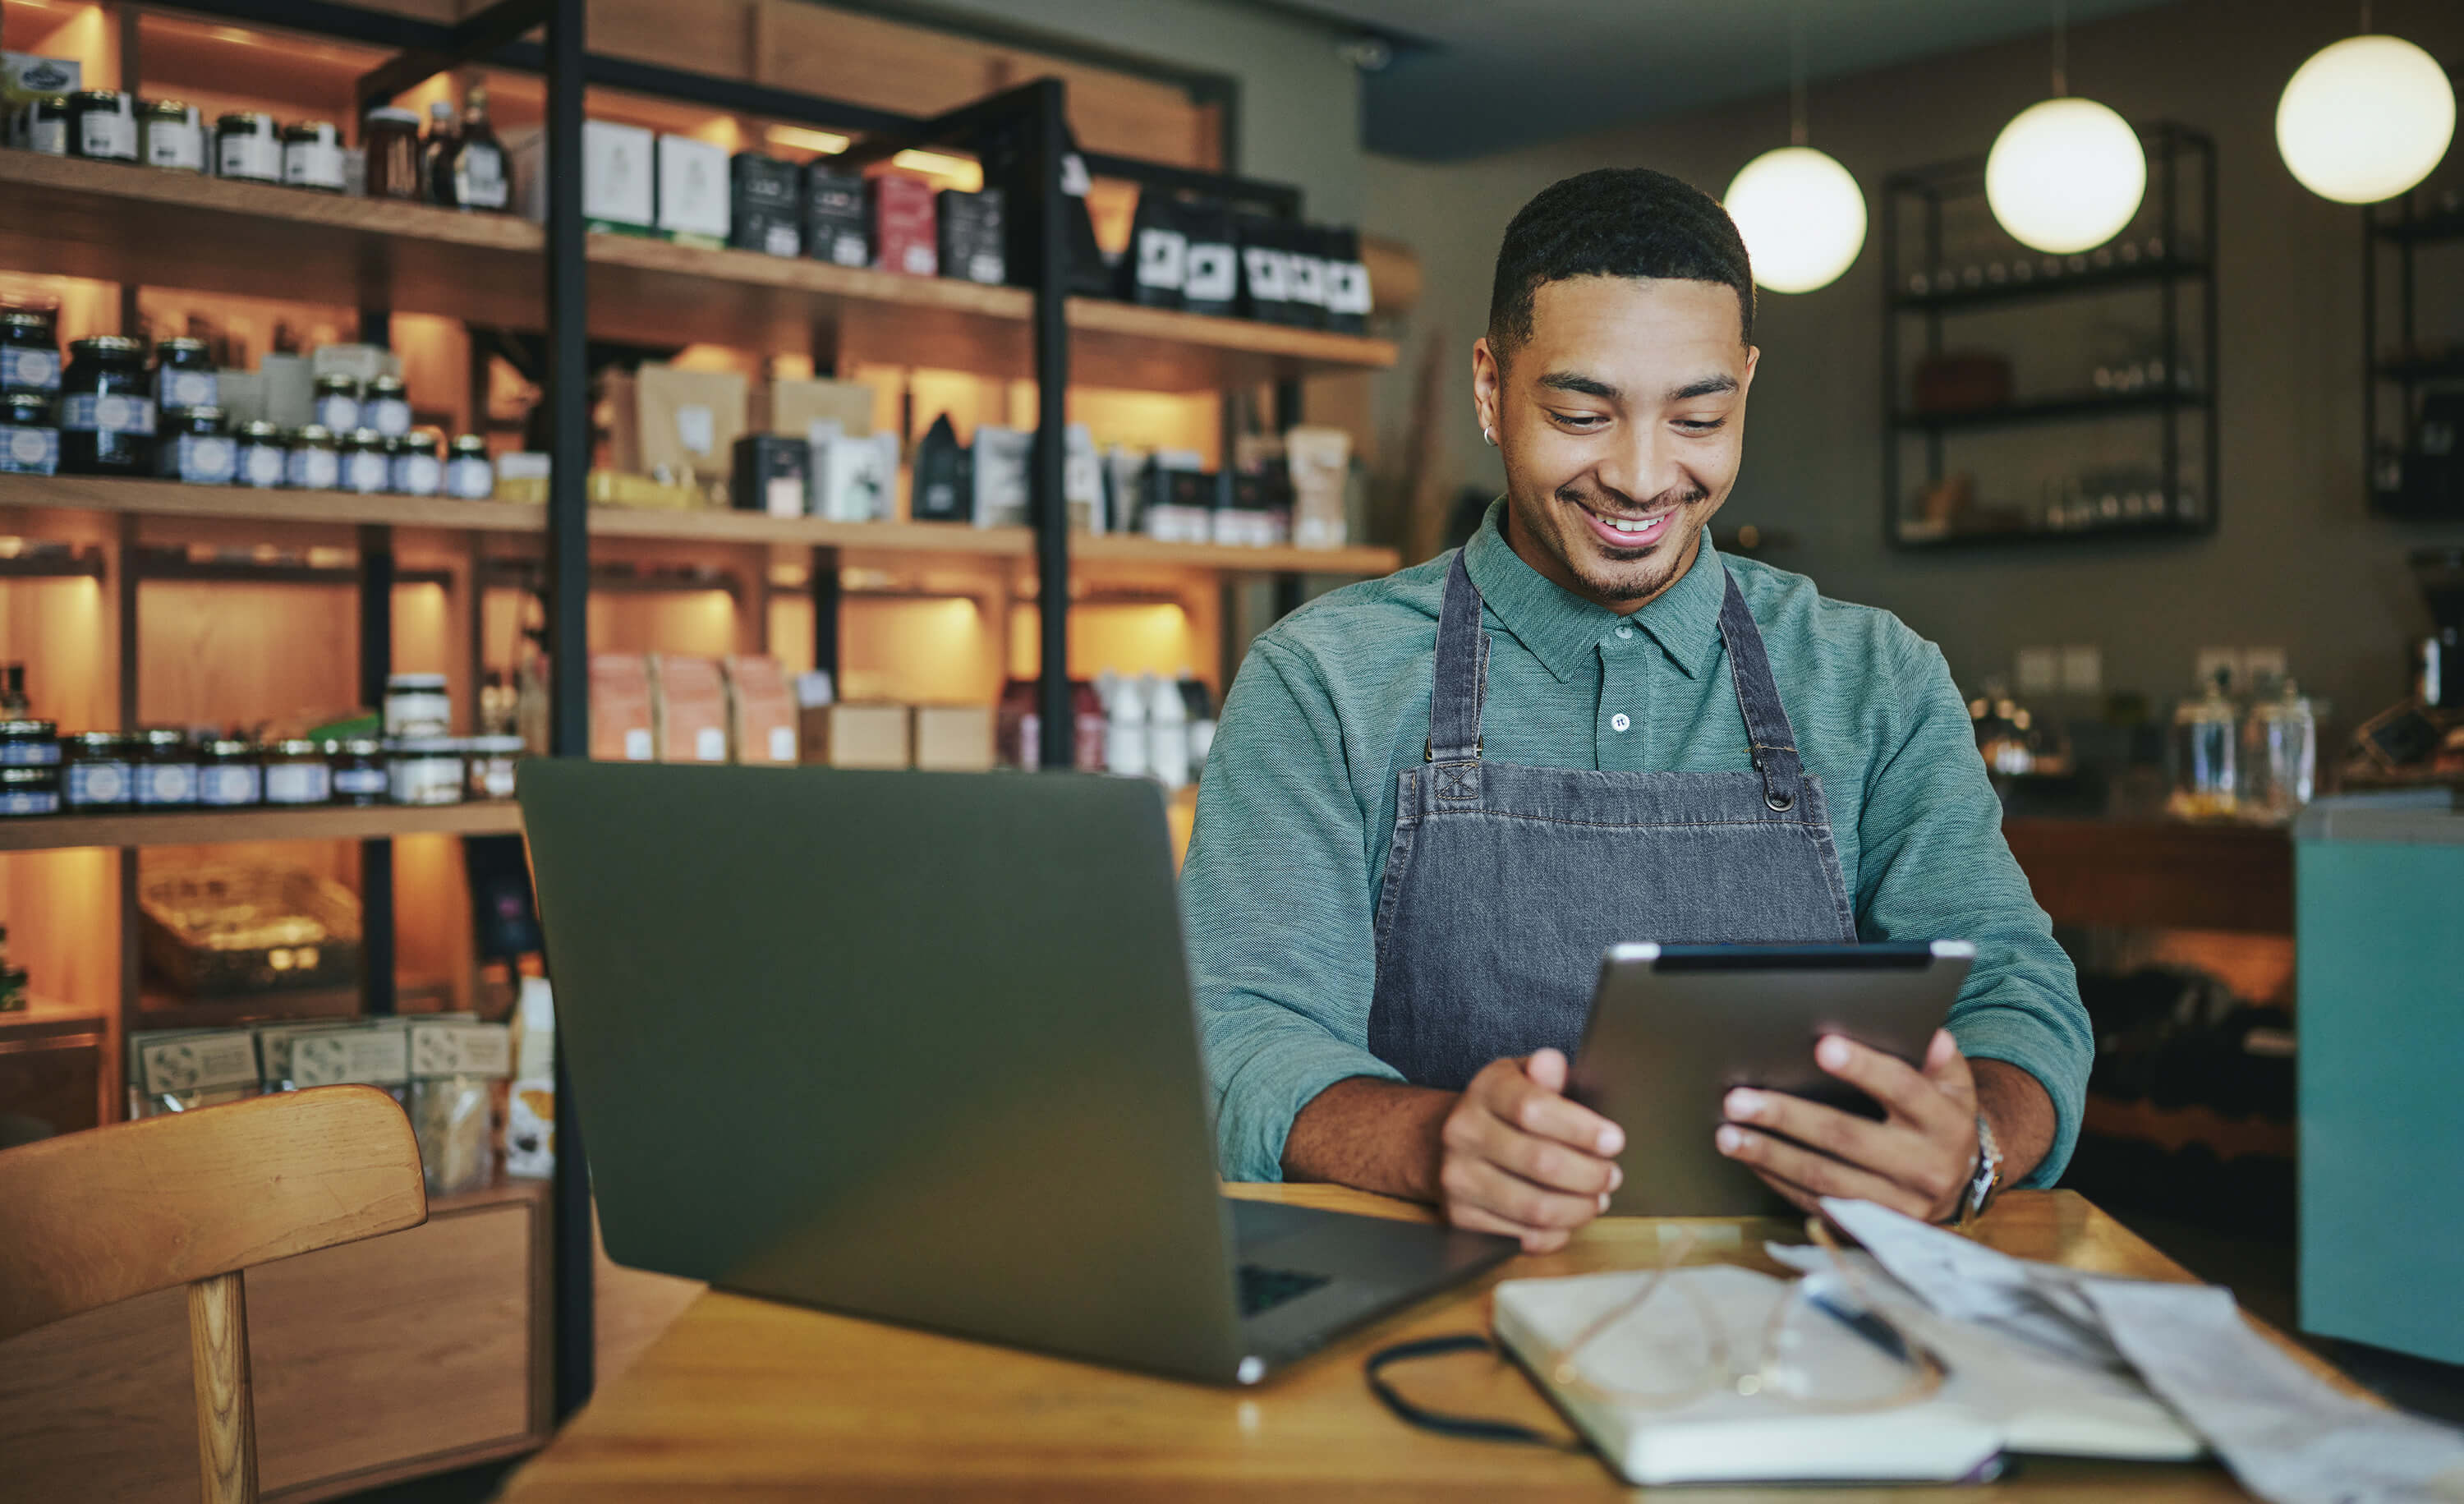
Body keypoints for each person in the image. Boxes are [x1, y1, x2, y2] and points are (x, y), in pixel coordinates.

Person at [1181, 167, 2090, 1252]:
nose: (1644, 476)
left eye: (1699, 417)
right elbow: (1235, 1032)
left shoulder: (1877, 679)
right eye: (1580, 413)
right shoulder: (1322, 681)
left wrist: (1972, 1142)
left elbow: (2018, 999)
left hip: (1799, 1340)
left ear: (1747, 387)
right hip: (1427, 1325)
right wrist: (1430, 1142)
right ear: (1489, 387)